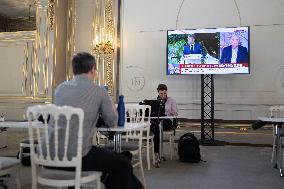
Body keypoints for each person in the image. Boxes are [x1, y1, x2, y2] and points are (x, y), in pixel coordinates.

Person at [52, 52, 133, 189]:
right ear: (92, 69)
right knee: (123, 162)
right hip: (78, 156)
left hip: (51, 154)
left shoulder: (60, 89)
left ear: (74, 69)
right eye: (95, 69)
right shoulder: (98, 91)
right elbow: (112, 121)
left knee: (104, 158)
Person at [150, 84, 178, 167]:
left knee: (156, 127)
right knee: (157, 127)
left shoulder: (171, 100)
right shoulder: (154, 101)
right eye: (161, 93)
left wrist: (173, 112)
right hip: (157, 121)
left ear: (167, 92)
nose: (163, 95)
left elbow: (175, 113)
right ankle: (157, 154)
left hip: (167, 121)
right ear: (158, 93)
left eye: (165, 93)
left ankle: (156, 153)